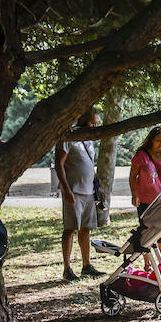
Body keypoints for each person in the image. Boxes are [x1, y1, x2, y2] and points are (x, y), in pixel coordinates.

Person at [55, 108, 104, 281]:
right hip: (73, 191)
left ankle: (86, 265)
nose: (93, 126)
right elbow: (59, 164)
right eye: (92, 123)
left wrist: (99, 188)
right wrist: (66, 190)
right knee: (70, 229)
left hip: (89, 192)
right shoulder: (68, 138)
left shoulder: (89, 140)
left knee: (86, 229)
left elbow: (90, 165)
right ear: (84, 121)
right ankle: (67, 268)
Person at [129, 126, 161, 260]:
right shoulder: (141, 155)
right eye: (158, 140)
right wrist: (134, 194)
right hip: (146, 202)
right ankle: (148, 264)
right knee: (147, 233)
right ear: (151, 140)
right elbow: (133, 176)